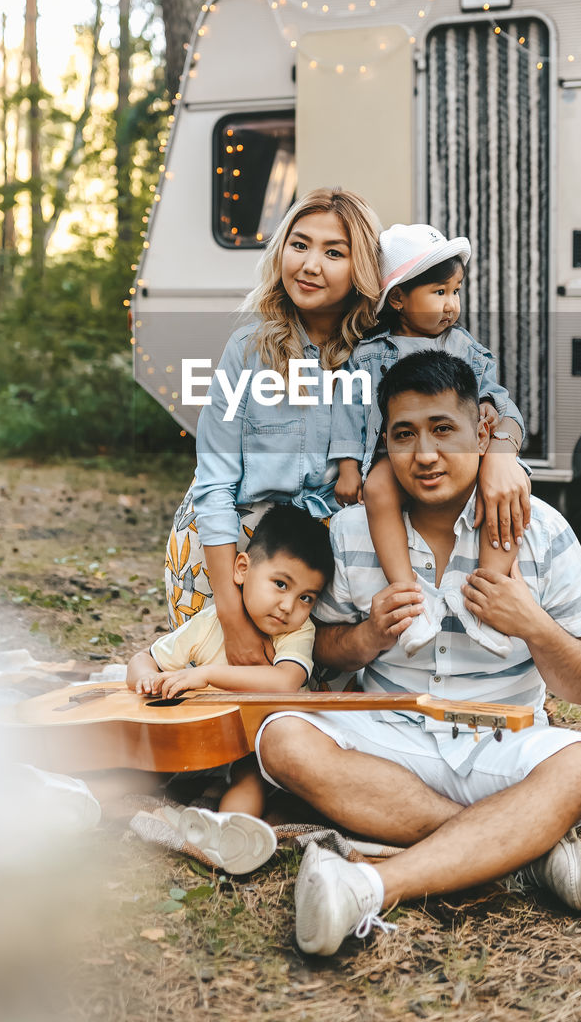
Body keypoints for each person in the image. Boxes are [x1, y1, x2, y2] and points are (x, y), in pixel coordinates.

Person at [257, 351, 581, 957]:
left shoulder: (544, 530)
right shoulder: (350, 534)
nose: (424, 455)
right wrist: (365, 637)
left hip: (503, 743)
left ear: (483, 431)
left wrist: (534, 626)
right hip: (384, 739)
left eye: (442, 429)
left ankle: (370, 885)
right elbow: (317, 657)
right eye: (405, 435)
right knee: (282, 739)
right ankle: (519, 849)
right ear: (386, 445)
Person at [164, 188, 380, 672]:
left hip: (322, 552)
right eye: (299, 245)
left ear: (360, 266)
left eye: (334, 252)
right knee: (219, 690)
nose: (309, 265)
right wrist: (231, 614)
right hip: (227, 544)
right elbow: (215, 483)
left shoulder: (380, 357)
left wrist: (501, 443)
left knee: (307, 698)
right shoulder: (247, 350)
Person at [330, 223, 531, 657]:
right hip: (392, 455)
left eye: (455, 292)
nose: (451, 305)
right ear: (399, 298)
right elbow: (348, 410)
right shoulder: (370, 354)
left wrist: (497, 436)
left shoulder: (467, 350)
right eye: (439, 292)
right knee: (379, 487)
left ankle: (489, 604)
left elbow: (499, 399)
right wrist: (348, 465)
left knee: (499, 492)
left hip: (460, 458)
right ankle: (409, 602)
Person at [128, 505, 333, 874]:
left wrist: (208, 674)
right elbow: (144, 658)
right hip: (204, 739)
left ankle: (226, 839)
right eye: (281, 584)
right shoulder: (209, 623)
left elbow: (285, 682)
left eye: (306, 598)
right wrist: (145, 677)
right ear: (241, 569)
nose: (288, 606)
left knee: (248, 774)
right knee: (140, 765)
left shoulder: (297, 633)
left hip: (259, 742)